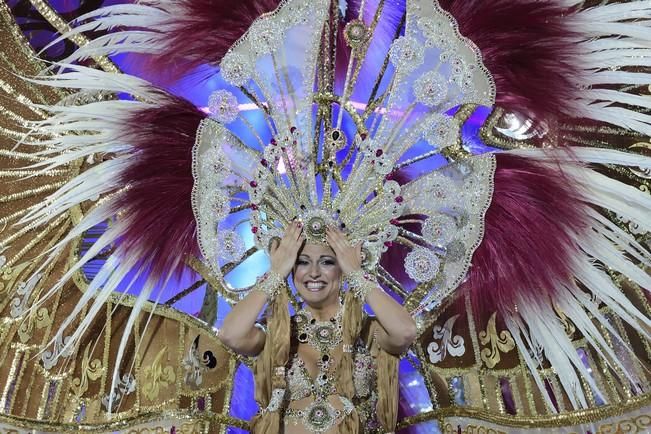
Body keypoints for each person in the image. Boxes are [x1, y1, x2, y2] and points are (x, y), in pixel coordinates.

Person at [219, 221, 416, 433]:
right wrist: (275, 274)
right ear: (291, 269)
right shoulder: (277, 334)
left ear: (342, 268)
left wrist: (357, 275)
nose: (313, 273)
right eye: (302, 262)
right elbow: (231, 335)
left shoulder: (367, 331)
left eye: (327, 262)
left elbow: (405, 331)